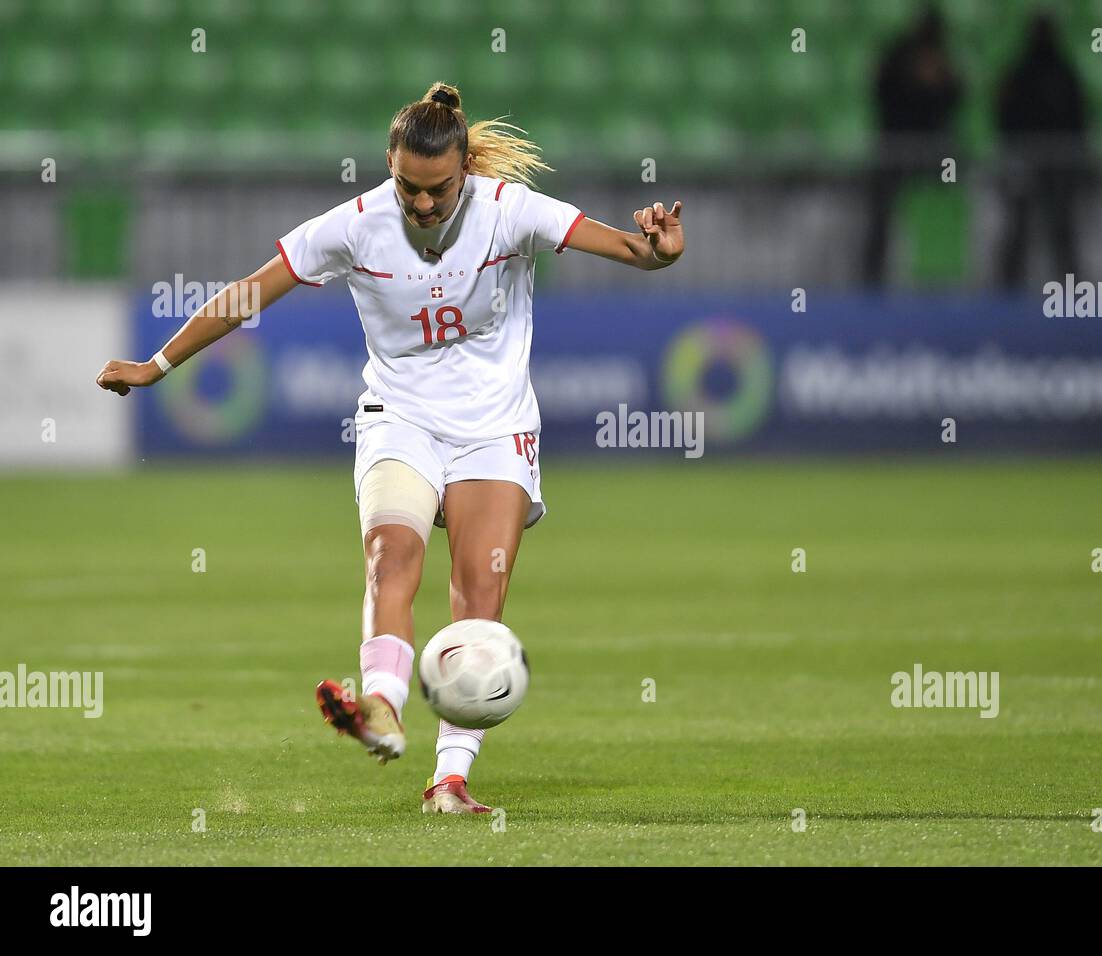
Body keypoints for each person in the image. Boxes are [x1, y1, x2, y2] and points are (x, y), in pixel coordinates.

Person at [95, 82, 685, 814]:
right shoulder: (356, 225)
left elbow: (632, 250)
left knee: (479, 598)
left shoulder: (511, 212)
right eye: (408, 186)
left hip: (494, 427)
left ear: (466, 169)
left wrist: (659, 251)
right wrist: (156, 365)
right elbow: (251, 292)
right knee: (390, 556)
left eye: (438, 189)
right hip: (397, 416)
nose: (423, 204)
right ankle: (380, 708)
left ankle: (449, 780)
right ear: (389, 165)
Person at [865, 4, 963, 285]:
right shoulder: (897, 56)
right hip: (896, 146)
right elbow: (882, 94)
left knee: (943, 207)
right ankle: (872, 278)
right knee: (881, 213)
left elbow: (955, 99)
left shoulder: (944, 59)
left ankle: (940, 273)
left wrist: (939, 83)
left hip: (933, 149)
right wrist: (916, 83)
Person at [994, 11, 1088, 286]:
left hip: (1055, 164)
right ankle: (1009, 287)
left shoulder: (1061, 74)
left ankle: (1070, 287)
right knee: (1023, 227)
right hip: (1029, 160)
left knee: (1057, 229)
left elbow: (1078, 119)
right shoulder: (1030, 73)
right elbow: (1004, 117)